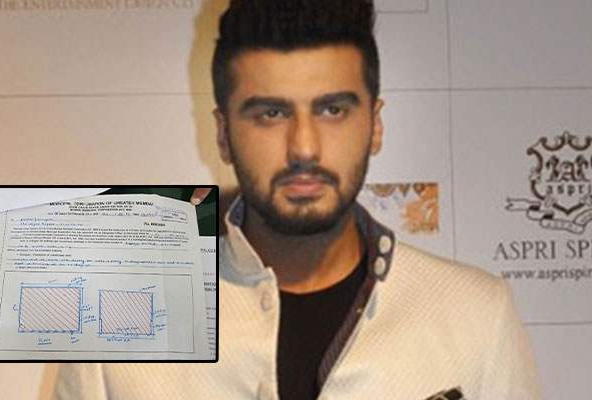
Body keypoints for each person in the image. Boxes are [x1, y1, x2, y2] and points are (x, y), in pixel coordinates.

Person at [54, 0, 543, 399]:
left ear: (375, 125)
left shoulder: (477, 315)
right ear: (223, 135)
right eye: (271, 113)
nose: (304, 147)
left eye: (332, 109)